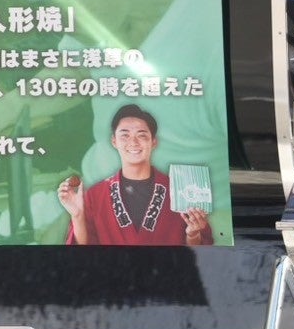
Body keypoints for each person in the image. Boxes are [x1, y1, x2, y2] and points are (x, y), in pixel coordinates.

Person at [59, 104, 212, 246]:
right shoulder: (95, 195)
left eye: (142, 135)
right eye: (125, 135)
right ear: (114, 141)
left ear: (153, 142)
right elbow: (81, 252)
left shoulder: (182, 191)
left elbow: (200, 254)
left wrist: (193, 234)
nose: (133, 142)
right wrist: (78, 215)